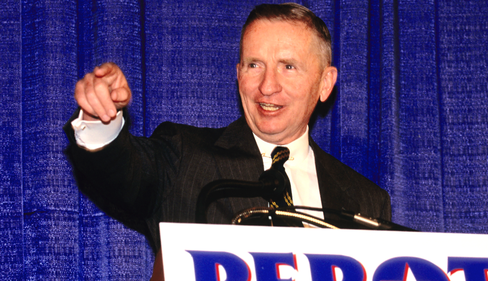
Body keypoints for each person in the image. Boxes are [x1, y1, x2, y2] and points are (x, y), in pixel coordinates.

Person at [64, 3, 391, 279]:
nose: (267, 87)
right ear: (238, 74)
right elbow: (125, 174)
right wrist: (100, 120)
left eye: (288, 67)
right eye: (254, 65)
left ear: (325, 83)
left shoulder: (366, 202)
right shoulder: (185, 157)